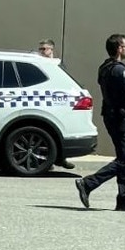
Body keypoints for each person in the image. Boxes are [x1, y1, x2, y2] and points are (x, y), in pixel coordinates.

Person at [75, 34, 125, 212]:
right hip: (120, 118)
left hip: (110, 116)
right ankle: (88, 183)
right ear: (119, 48)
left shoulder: (104, 68)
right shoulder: (120, 70)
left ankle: (123, 198)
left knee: (124, 158)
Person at [36, 38, 76, 170]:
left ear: (51, 50)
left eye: (44, 49)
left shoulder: (58, 65)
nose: (41, 51)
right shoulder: (37, 63)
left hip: (57, 101)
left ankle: (61, 159)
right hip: (41, 100)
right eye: (40, 49)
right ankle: (46, 161)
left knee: (58, 131)